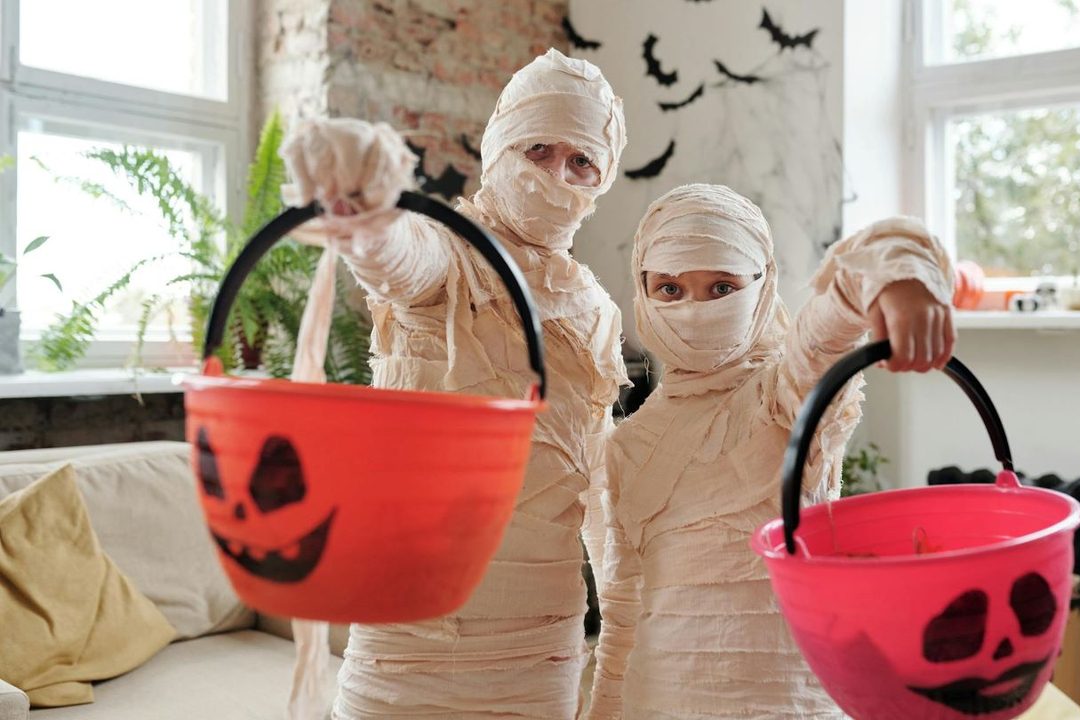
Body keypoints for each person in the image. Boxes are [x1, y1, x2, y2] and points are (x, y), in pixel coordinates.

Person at [280, 48, 628, 719]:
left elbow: (598, 482)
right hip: (403, 638)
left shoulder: (596, 310)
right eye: (539, 150)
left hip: (540, 648)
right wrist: (367, 209)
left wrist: (627, 620)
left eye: (580, 161)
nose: (557, 174)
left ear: (601, 178)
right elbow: (398, 259)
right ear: (499, 150)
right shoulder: (452, 254)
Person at [585, 183, 954, 719]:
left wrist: (900, 275)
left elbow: (834, 319)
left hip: (789, 703)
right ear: (641, 290)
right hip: (658, 703)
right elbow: (621, 615)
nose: (694, 309)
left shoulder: (786, 397)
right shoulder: (626, 445)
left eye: (721, 287)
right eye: (669, 288)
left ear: (762, 286)